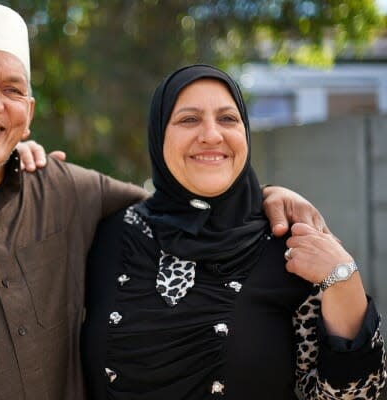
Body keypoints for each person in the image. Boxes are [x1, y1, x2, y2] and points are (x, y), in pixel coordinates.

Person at [0, 2, 330, 399]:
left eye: (11, 89)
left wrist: (267, 195)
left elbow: (182, 200)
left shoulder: (68, 190)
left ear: (27, 112)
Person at [81, 64, 386, 399]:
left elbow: (351, 396)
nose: (212, 134)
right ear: (158, 134)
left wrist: (343, 280)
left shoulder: (289, 244)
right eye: (189, 119)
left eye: (227, 118)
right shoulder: (106, 236)